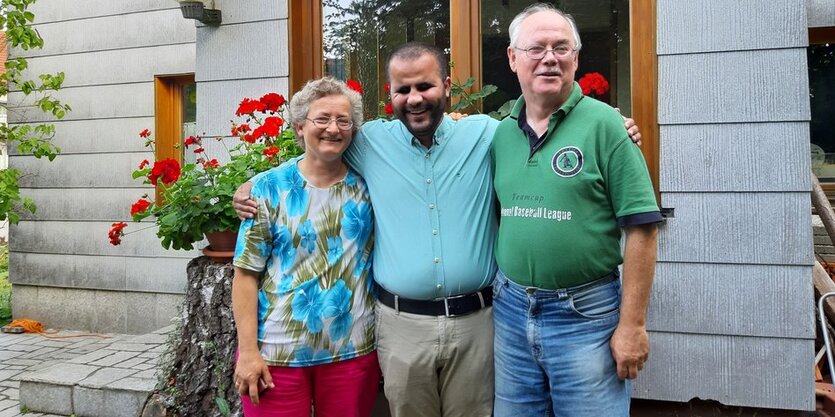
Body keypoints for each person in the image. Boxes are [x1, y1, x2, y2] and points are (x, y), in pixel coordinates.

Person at [234, 43, 642, 417]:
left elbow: (545, 126)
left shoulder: (487, 133)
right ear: (390, 95)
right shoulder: (368, 142)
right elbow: (319, 148)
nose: (414, 98)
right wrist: (252, 186)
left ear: (446, 87)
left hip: (477, 325)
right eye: (403, 89)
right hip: (401, 326)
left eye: (425, 86)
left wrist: (614, 128)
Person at [490, 4, 661, 417]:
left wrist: (633, 325)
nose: (549, 57)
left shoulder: (607, 127)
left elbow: (643, 230)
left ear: (576, 59)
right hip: (510, 312)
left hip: (585, 316)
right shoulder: (499, 134)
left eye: (561, 48)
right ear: (514, 58)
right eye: (536, 48)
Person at [231, 77, 379, 417]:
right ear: (299, 127)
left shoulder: (368, 187)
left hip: (351, 350)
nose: (333, 128)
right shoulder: (268, 189)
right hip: (277, 353)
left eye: (344, 121)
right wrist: (248, 351)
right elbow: (245, 275)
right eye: (322, 119)